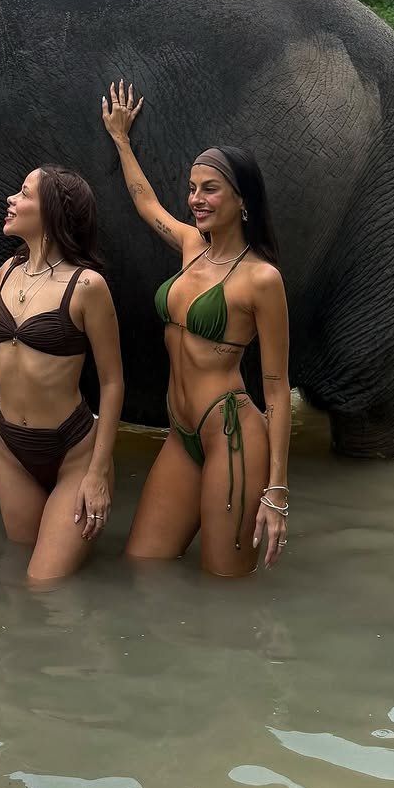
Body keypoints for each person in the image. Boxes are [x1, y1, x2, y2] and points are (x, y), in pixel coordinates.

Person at [101, 81, 290, 574]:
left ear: (242, 199)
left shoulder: (262, 280)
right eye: (192, 188)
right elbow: (145, 204)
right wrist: (121, 139)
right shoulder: (190, 246)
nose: (196, 200)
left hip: (232, 434)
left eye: (210, 189)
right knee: (143, 563)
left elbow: (276, 388)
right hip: (180, 433)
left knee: (224, 589)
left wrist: (277, 491)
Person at [0, 162, 124, 581]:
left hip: (73, 453)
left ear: (52, 212)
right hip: (11, 451)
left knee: (43, 585)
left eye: (23, 193)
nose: (11, 199)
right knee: (18, 577)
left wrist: (97, 474)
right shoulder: (10, 271)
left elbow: (113, 383)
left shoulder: (87, 286)